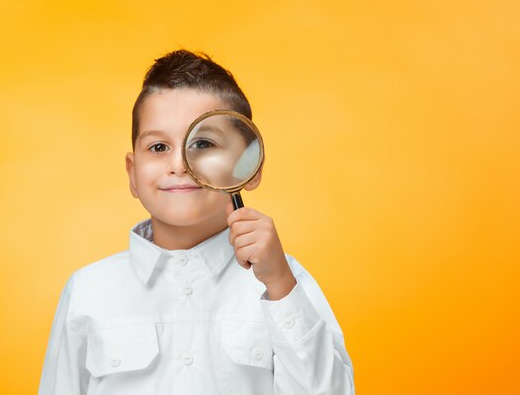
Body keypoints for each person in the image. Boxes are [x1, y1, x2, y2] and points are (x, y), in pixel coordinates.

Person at [38, 50, 354, 395]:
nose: (179, 164)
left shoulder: (287, 283)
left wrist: (279, 285)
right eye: (158, 147)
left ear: (250, 165)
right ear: (133, 174)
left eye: (202, 143)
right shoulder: (87, 291)